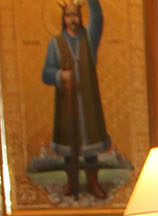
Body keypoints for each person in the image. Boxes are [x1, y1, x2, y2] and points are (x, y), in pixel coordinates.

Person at [41, 0, 110, 200]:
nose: (73, 20)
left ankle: (93, 182)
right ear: (63, 19)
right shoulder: (56, 44)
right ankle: (71, 182)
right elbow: (46, 74)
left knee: (90, 144)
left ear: (81, 17)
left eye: (76, 15)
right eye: (69, 16)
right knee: (69, 146)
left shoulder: (89, 39)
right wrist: (60, 75)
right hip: (67, 103)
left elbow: (98, 19)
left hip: (88, 103)